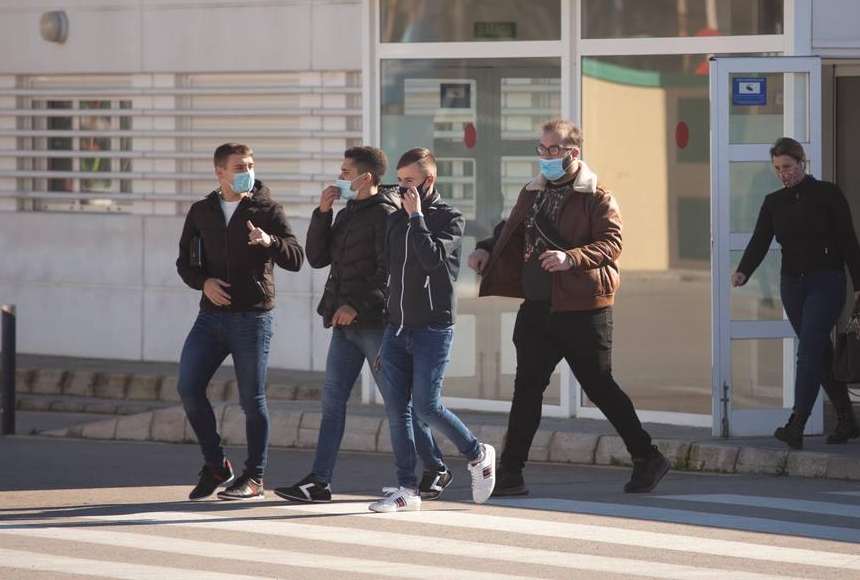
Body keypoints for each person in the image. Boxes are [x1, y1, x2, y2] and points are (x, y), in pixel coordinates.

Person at [468, 119, 670, 497]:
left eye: (553, 150)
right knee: (527, 388)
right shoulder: (534, 192)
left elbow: (612, 244)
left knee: (599, 386)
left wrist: (571, 257)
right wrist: (484, 247)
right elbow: (509, 229)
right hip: (538, 308)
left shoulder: (597, 196)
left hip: (582, 308)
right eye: (541, 149)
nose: (545, 157)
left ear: (572, 153)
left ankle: (647, 456)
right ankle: (511, 473)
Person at [274, 146, 452, 503]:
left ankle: (434, 466)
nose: (340, 178)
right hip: (343, 325)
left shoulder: (387, 213)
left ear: (364, 177)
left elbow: (391, 273)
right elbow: (318, 257)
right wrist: (323, 213)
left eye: (345, 172)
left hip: (375, 324)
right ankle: (319, 481)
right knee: (333, 402)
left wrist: (356, 305)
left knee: (398, 404)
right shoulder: (347, 212)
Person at [369, 147, 496, 512]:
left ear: (429, 181)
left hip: (433, 328)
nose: (402, 188)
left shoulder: (450, 219)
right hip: (397, 327)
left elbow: (430, 260)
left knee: (426, 405)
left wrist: (416, 217)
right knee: (397, 410)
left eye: (409, 181)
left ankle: (477, 453)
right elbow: (388, 271)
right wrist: (386, 323)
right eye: (399, 180)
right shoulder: (395, 218)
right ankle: (407, 488)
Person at [175, 142, 303, 500]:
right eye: (239, 166)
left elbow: (296, 257)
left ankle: (254, 477)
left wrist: (270, 242)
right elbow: (185, 263)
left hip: (252, 318)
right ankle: (216, 464)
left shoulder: (267, 209)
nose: (247, 170)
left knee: (252, 400)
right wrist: (204, 283)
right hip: (210, 318)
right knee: (188, 386)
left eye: (250, 164)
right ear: (220, 172)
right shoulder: (202, 211)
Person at [732, 137, 860, 449]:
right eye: (778, 169)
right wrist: (743, 270)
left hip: (827, 282)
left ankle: (797, 422)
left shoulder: (828, 194)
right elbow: (759, 241)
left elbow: (848, 239)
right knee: (819, 353)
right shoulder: (773, 202)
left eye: (789, 167)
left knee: (807, 352)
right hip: (792, 285)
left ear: (802, 163)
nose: (784, 173)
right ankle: (848, 420)